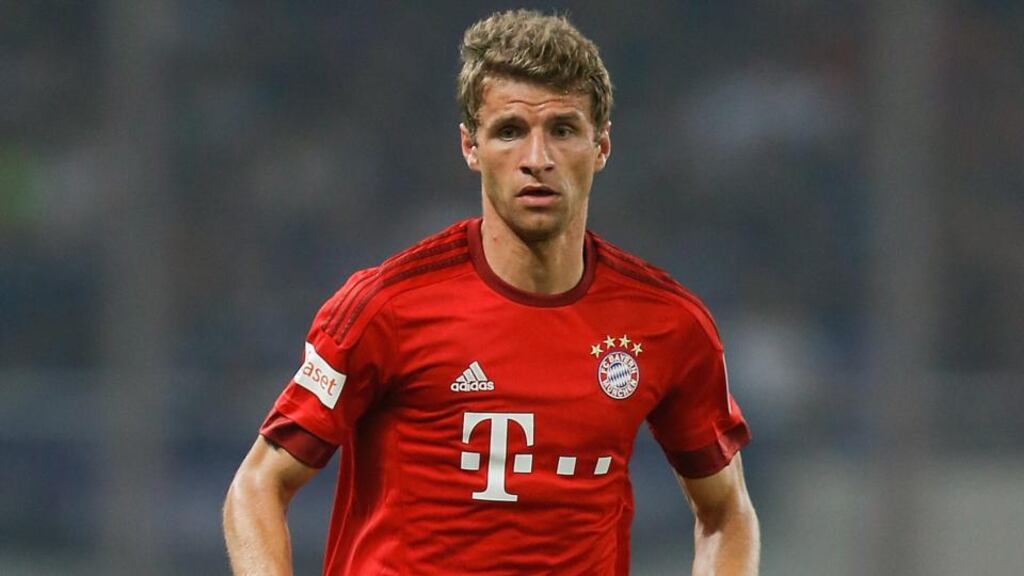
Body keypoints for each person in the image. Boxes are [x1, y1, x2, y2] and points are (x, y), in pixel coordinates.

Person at [223, 9, 759, 575]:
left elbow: (727, 513)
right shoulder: (385, 307)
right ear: (470, 147)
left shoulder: (667, 324)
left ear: (601, 146)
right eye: (510, 131)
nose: (537, 159)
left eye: (563, 130)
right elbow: (258, 484)